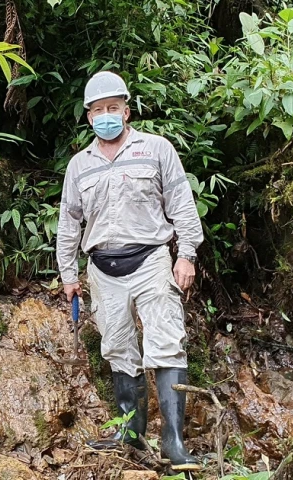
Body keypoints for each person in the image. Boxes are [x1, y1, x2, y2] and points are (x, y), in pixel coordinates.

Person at [56, 71, 203, 471]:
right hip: (103, 268)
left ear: (126, 110)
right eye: (98, 110)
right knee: (118, 348)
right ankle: (131, 435)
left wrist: (186, 253)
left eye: (113, 108)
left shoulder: (156, 149)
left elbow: (181, 203)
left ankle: (173, 442)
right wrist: (68, 275)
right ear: (89, 117)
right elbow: (69, 223)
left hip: (152, 259)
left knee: (167, 342)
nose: (106, 115)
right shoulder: (78, 166)